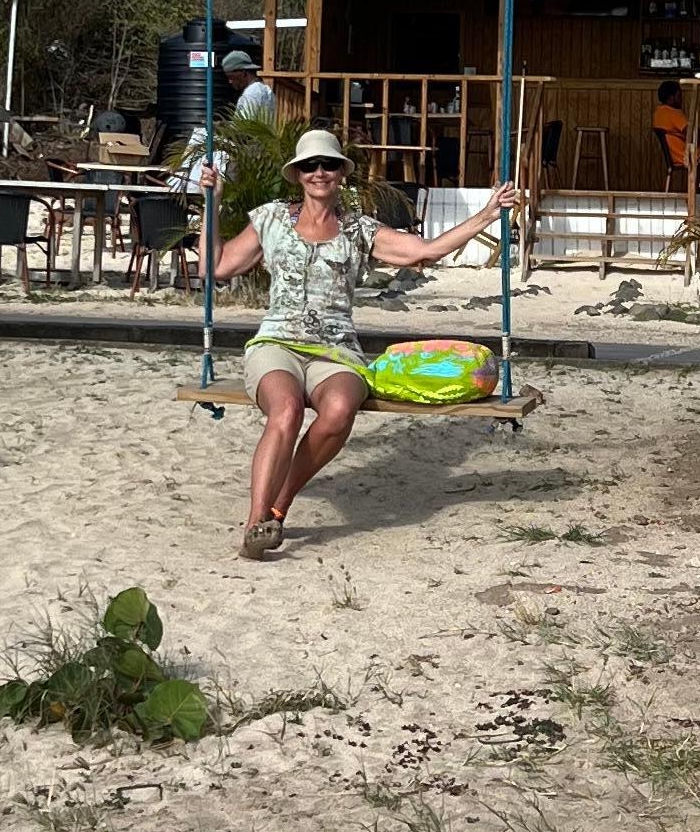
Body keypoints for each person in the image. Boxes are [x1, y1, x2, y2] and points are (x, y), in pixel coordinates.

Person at [211, 127, 522, 560]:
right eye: (309, 166)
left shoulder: (359, 229)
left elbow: (424, 252)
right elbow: (220, 266)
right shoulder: (270, 219)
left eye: (329, 165)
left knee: (339, 410)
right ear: (297, 175)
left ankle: (278, 506)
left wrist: (486, 216)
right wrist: (212, 202)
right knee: (286, 410)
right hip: (277, 343)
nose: (319, 172)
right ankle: (254, 522)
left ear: (341, 174)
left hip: (336, 349)